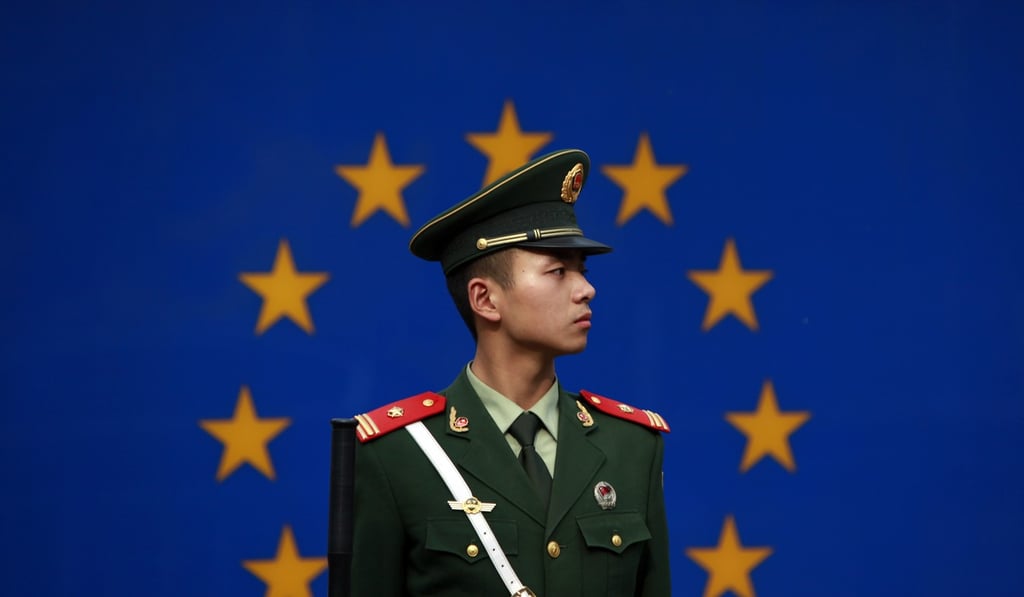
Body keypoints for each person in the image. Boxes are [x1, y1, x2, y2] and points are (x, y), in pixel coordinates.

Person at [349, 149, 671, 596]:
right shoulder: (399, 454)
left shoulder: (632, 445)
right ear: (485, 299)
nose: (587, 289)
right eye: (557, 271)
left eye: (582, 270)